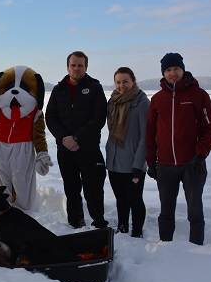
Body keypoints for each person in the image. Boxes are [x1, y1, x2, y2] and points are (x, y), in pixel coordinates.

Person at [146, 53, 211, 245]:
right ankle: (165, 247)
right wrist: (151, 162)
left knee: (195, 212)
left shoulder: (198, 95)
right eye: (168, 70)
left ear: (183, 70)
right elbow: (150, 133)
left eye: (176, 69)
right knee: (166, 211)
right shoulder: (157, 99)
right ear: (163, 73)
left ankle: (196, 249)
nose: (173, 73)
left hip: (192, 164)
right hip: (165, 165)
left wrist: (201, 154)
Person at [45, 51, 108, 229]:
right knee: (71, 189)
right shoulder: (59, 90)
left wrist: (77, 138)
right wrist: (64, 138)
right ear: (68, 67)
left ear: (86, 67)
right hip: (65, 149)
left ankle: (98, 223)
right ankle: (75, 222)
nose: (76, 68)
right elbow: (50, 117)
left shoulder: (95, 87)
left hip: (88, 148)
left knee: (93, 189)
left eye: (80, 65)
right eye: (73, 65)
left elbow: (99, 118)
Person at [105, 67, 150, 238]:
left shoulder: (142, 103)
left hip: (133, 163)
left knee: (135, 200)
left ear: (133, 81)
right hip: (114, 161)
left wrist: (139, 163)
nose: (121, 85)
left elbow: (146, 136)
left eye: (125, 81)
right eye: (118, 82)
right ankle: (122, 227)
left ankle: (137, 232)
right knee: (121, 199)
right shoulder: (113, 101)